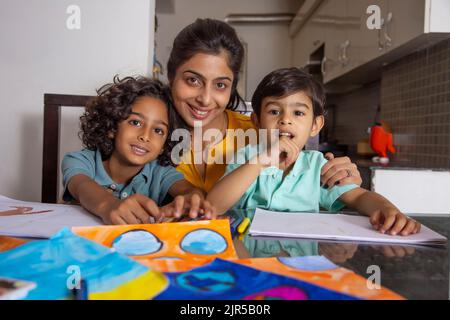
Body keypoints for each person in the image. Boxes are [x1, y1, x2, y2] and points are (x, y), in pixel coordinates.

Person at [207, 68, 421, 236]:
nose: (285, 119)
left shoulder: (318, 166)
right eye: (274, 111)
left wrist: (388, 209)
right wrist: (260, 162)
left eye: (298, 112)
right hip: (250, 251)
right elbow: (214, 206)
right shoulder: (248, 157)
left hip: (301, 257)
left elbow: (359, 197)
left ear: (315, 125)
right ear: (257, 122)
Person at [168, 18, 362, 194]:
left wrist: (338, 175)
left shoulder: (259, 132)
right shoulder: (148, 132)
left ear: (232, 87)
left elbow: (302, 177)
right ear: (171, 77)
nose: (206, 99)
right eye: (193, 80)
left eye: (220, 85)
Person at [61, 76, 214, 225]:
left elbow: (188, 190)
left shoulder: (161, 173)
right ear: (112, 127)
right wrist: (107, 205)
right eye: (135, 122)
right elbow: (81, 186)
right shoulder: (80, 161)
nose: (145, 136)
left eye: (158, 131)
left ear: (164, 145)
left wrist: (193, 200)